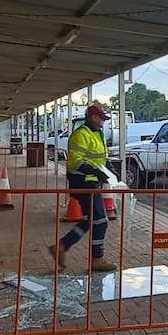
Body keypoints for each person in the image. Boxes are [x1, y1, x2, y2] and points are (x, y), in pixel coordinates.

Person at [50, 105, 118, 272]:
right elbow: (75, 162)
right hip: (83, 183)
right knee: (100, 221)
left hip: (92, 183)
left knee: (91, 220)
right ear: (93, 117)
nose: (103, 122)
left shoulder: (97, 134)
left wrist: (111, 170)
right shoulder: (80, 135)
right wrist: (94, 171)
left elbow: (102, 157)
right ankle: (96, 258)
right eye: (102, 118)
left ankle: (61, 246)